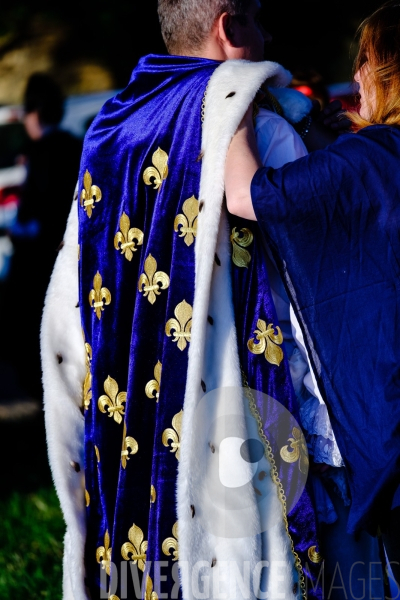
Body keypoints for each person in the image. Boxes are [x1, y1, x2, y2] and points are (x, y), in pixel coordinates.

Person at [40, 2, 352, 599]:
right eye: (259, 17)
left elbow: (71, 302)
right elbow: (312, 297)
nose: (270, 32)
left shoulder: (112, 130)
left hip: (132, 419)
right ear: (229, 26)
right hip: (239, 426)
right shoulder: (263, 130)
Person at [225, 0, 400, 589]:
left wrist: (235, 99)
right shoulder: (376, 154)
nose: (355, 76)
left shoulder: (372, 155)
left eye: (365, 60)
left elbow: (249, 196)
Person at [2, 73, 82, 400]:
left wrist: (17, 231)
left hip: (40, 267)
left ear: (35, 113)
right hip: (73, 260)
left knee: (34, 344)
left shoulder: (42, 154)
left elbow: (38, 218)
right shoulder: (75, 146)